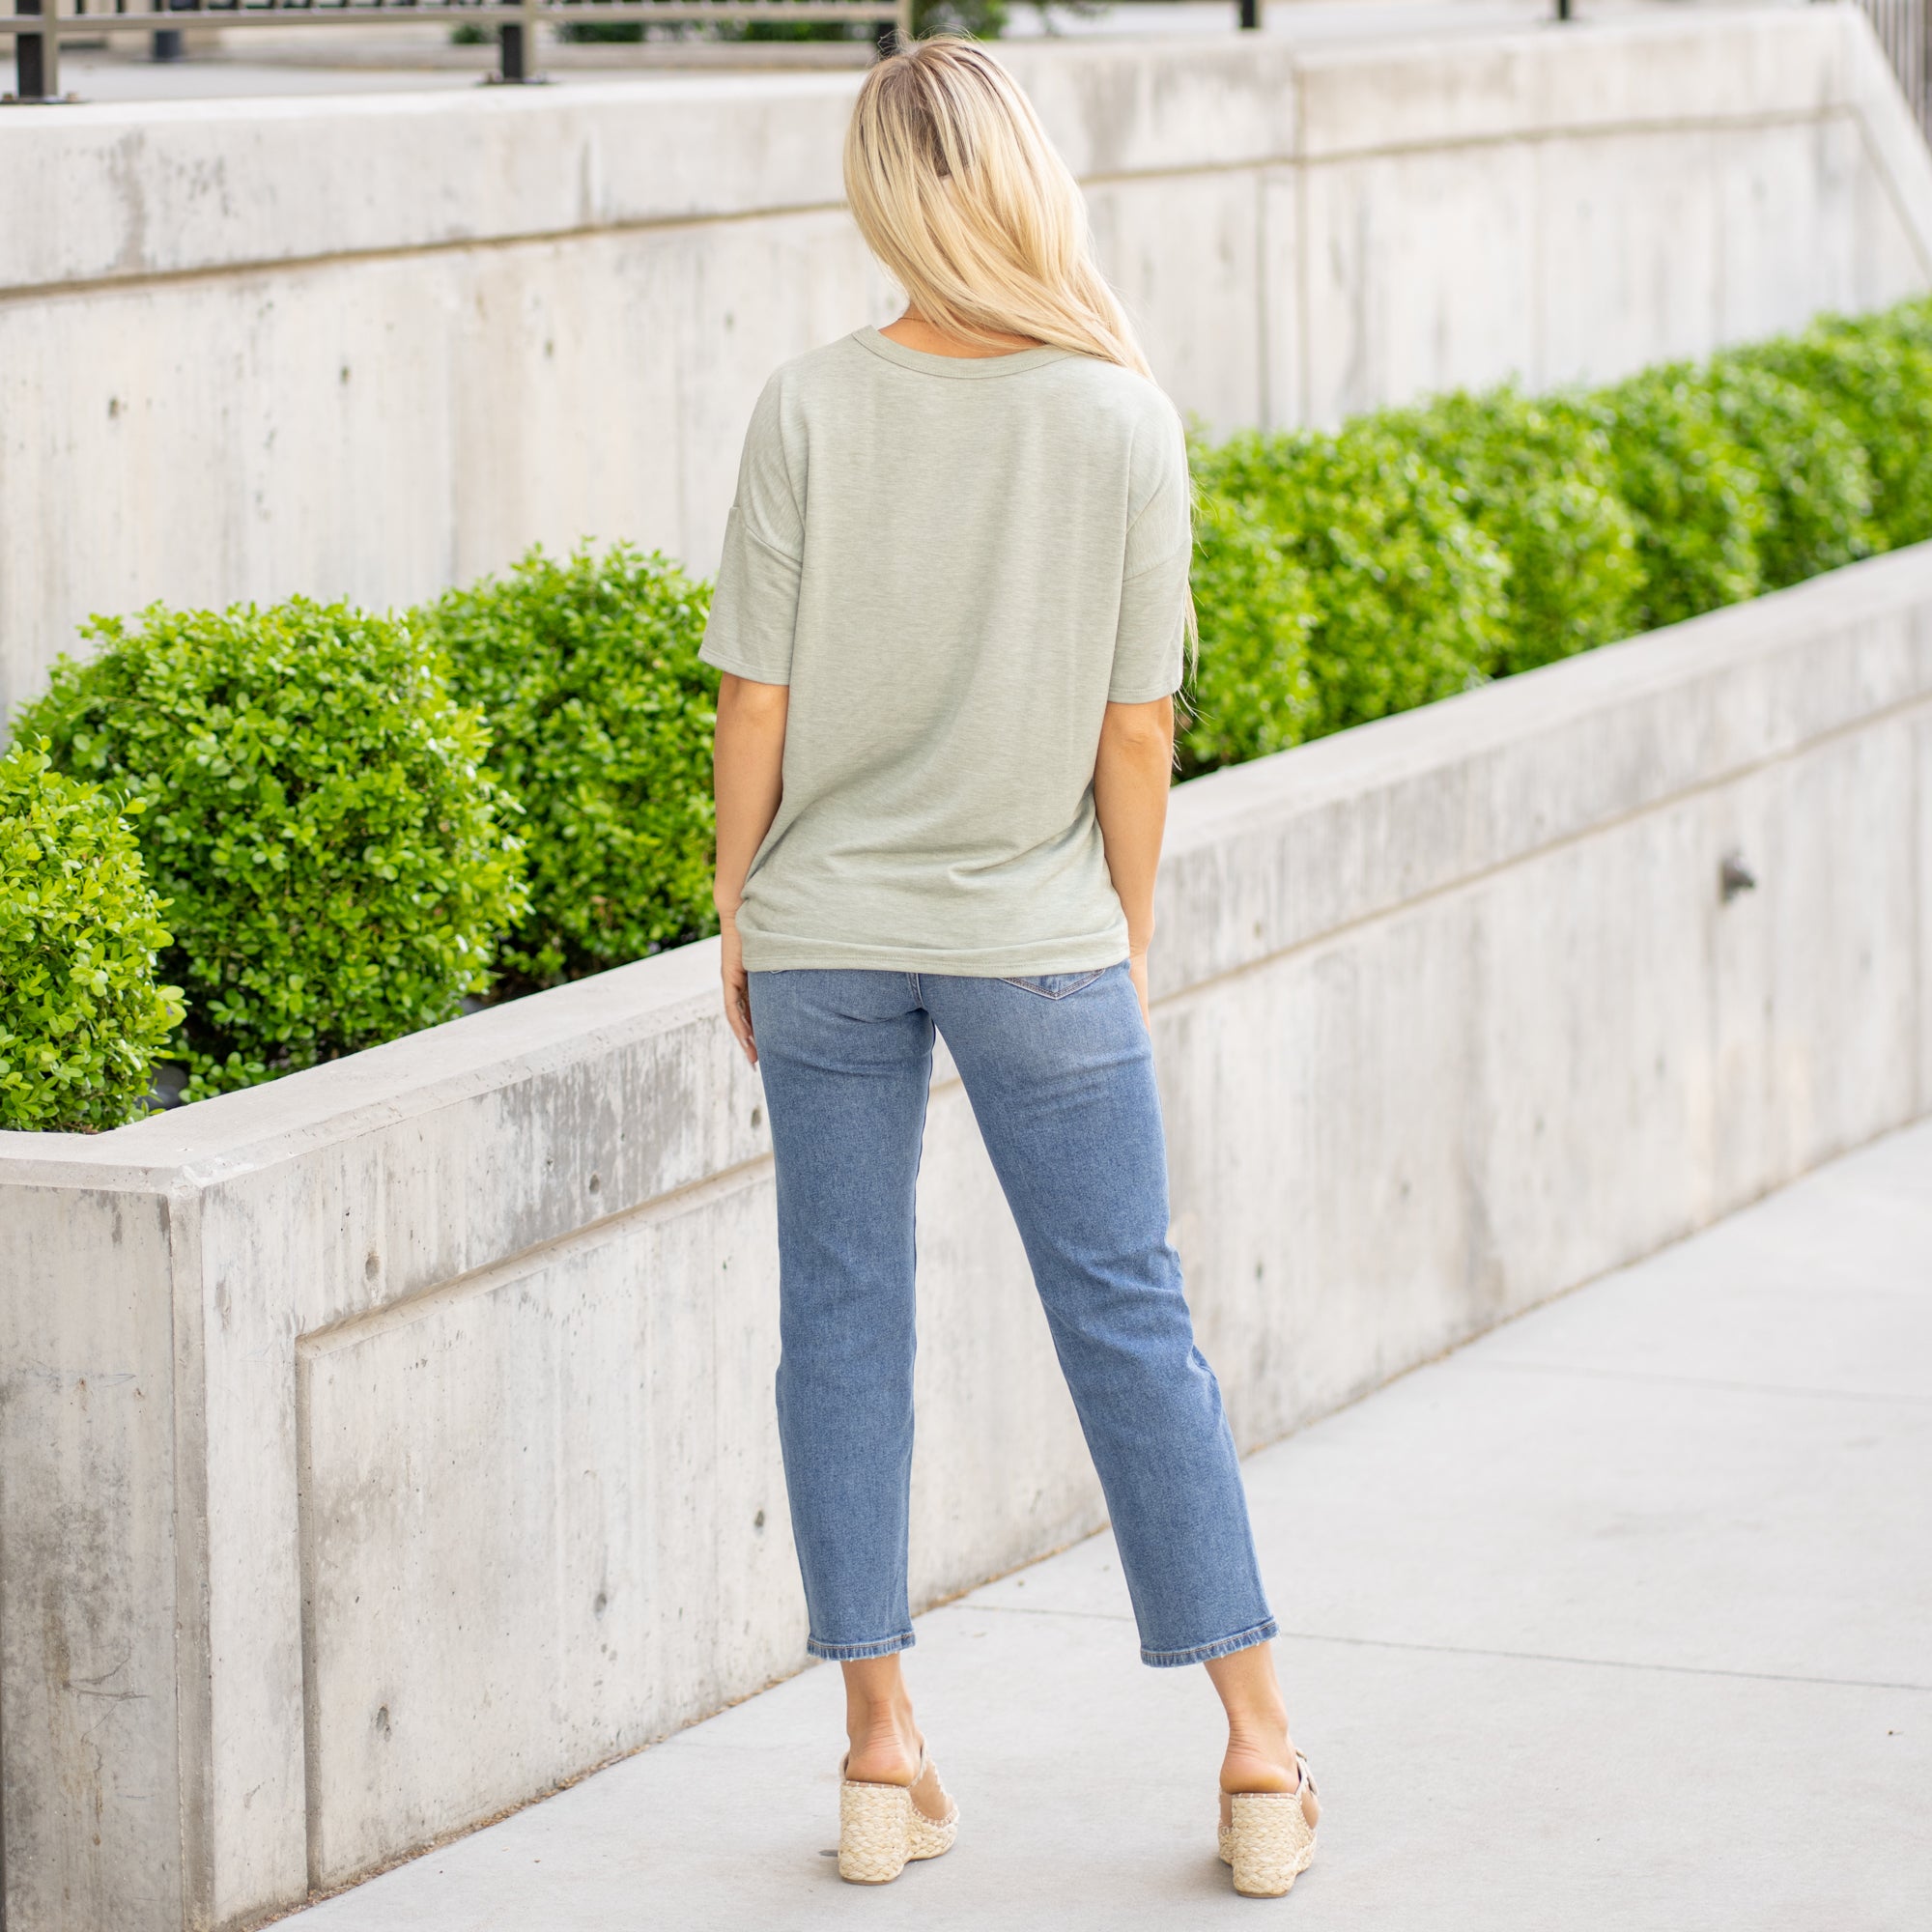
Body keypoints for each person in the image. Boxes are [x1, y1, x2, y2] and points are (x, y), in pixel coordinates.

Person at [700, 34, 1319, 1899]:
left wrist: (737, 909)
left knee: (841, 1319)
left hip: (825, 935)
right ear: (1028, 182)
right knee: (1130, 1322)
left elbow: (755, 701)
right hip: (1037, 939)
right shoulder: (1121, 418)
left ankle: (879, 1746)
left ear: (884, 198)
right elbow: (1138, 731)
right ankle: (1260, 1754)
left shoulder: (809, 404)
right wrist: (1123, 923)